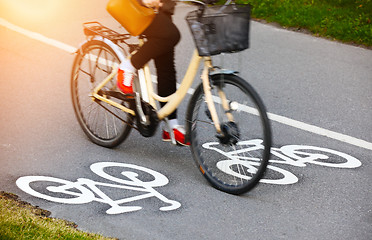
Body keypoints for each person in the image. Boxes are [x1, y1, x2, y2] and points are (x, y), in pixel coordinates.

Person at [116, 0, 190, 146]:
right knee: (172, 35)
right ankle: (128, 66)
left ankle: (171, 125)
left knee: (167, 69)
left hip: (161, 9)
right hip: (138, 7)